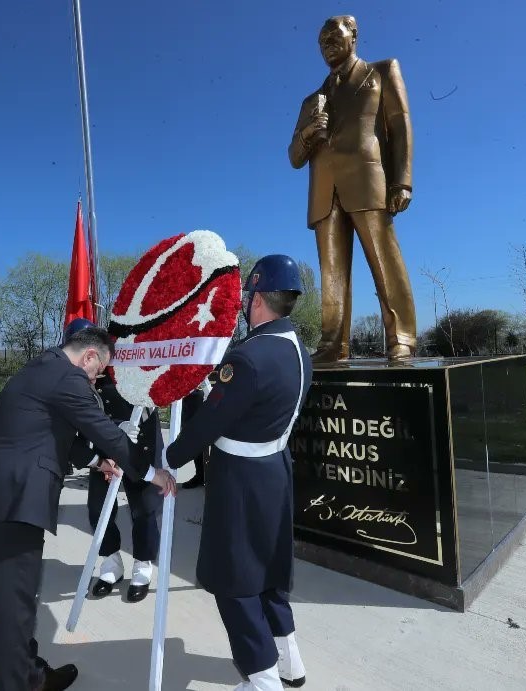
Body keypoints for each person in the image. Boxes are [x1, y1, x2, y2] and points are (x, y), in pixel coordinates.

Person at [0, 326, 177, 691]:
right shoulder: (67, 377)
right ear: (89, 357)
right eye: (96, 371)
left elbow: (60, 436)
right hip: (10, 508)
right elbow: (104, 430)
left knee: (14, 607)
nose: (94, 380)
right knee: (15, 614)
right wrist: (152, 473)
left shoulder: (43, 367)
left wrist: (98, 463)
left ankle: (31, 675)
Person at [162, 255, 312, 690]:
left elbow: (208, 426)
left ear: (259, 298)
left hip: (242, 479)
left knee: (236, 580)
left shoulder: (248, 358)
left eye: (249, 297)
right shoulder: (299, 351)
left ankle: (263, 679)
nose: (245, 304)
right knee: (268, 570)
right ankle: (289, 662)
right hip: (275, 472)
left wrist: (167, 459)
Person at [288, 14, 417, 363]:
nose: (327, 43)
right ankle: (333, 344)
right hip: (324, 193)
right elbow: (294, 157)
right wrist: (307, 134)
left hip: (368, 181)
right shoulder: (312, 100)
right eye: (321, 41)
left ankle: (401, 337)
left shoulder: (381, 72)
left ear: (354, 36)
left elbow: (400, 126)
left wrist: (402, 180)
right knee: (331, 274)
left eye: (334, 35)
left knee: (384, 261)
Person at [63, 318, 163, 603]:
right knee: (97, 508)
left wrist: (126, 428)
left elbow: (152, 398)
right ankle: (111, 562)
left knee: (143, 507)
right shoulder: (73, 375)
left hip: (139, 443)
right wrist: (101, 453)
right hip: (105, 449)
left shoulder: (127, 363)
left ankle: (143, 564)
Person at [179, 385, 207, 489]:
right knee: (193, 437)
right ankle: (201, 475)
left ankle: (210, 476)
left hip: (205, 389)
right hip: (188, 393)